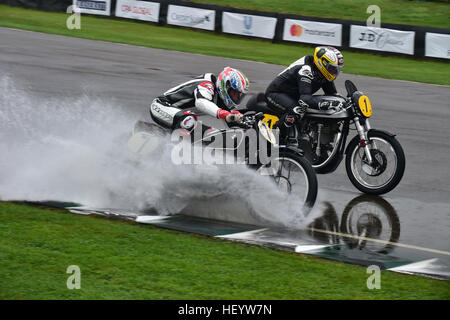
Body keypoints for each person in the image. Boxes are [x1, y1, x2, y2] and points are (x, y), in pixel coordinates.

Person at [264, 46, 344, 139]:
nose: (334, 72)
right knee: (298, 110)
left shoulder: (323, 73)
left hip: (293, 96)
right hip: (276, 93)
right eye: (332, 69)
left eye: (336, 70)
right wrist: (327, 104)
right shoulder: (305, 70)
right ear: (323, 63)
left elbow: (332, 95)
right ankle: (272, 137)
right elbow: (305, 100)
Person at [150, 67, 249, 135]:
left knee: (194, 123)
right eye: (234, 93)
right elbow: (201, 103)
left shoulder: (220, 98)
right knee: (189, 120)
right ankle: (175, 151)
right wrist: (225, 114)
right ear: (225, 86)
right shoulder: (207, 85)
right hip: (161, 105)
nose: (236, 98)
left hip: (177, 115)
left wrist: (246, 123)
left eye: (239, 96)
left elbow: (232, 120)